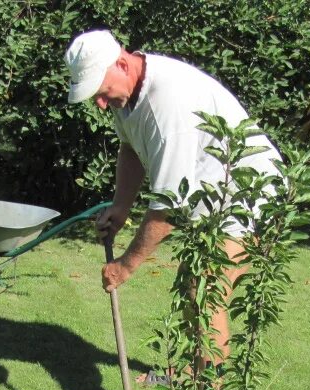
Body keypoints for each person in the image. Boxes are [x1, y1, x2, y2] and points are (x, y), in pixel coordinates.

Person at [64, 29, 282, 365]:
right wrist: (121, 206)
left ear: (121, 64)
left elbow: (166, 212)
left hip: (249, 195)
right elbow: (131, 151)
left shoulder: (166, 105)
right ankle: (195, 386)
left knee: (206, 295)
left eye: (102, 91)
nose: (100, 103)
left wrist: (124, 266)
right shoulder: (127, 97)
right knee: (193, 290)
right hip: (212, 196)